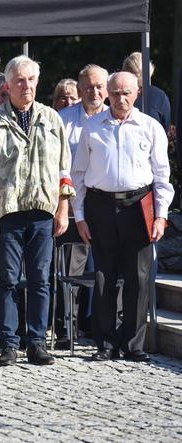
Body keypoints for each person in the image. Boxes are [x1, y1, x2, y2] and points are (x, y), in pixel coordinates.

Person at [0, 55, 74, 367]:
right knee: (8, 280)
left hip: (44, 211)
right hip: (8, 212)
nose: (26, 85)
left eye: (31, 80)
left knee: (40, 279)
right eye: (19, 80)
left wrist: (63, 209)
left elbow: (64, 169)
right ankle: (8, 343)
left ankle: (37, 342)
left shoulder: (51, 119)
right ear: (8, 85)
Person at [71, 72, 173, 362]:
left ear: (137, 93)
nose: (120, 98)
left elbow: (162, 177)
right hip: (100, 206)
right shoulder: (91, 128)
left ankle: (133, 344)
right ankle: (104, 343)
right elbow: (78, 176)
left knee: (138, 278)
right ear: (107, 94)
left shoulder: (150, 127)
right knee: (103, 276)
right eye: (115, 93)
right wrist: (80, 215)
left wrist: (161, 216)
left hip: (139, 205)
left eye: (126, 92)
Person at [57, 64, 109, 340]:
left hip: (105, 204)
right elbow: (56, 165)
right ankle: (68, 327)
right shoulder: (63, 119)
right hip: (71, 204)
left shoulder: (115, 119)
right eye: (89, 86)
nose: (95, 91)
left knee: (105, 268)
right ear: (79, 90)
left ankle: (102, 327)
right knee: (71, 269)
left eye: (100, 86)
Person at [122, 52, 171, 132]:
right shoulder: (115, 94)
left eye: (141, 86)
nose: (138, 91)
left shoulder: (159, 97)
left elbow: (164, 130)